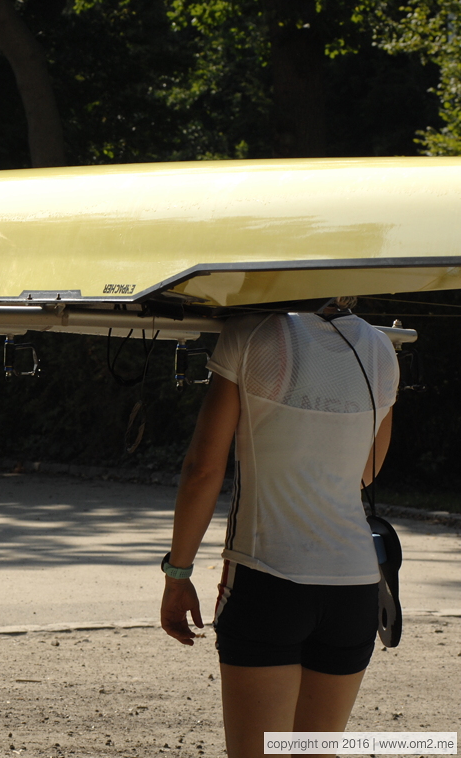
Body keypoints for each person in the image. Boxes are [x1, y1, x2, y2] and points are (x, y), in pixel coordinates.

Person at [160, 301, 399, 758]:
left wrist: (178, 574)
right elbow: (366, 471)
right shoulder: (381, 348)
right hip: (353, 587)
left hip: (266, 577)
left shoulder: (248, 334)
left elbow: (203, 470)